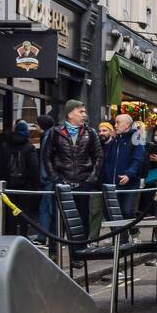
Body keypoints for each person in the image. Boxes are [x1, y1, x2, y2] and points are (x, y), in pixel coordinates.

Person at [44, 100, 104, 238]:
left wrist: (91, 179)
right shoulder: (56, 132)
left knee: (82, 220)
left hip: (83, 183)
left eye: (84, 112)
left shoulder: (91, 132)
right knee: (58, 221)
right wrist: (55, 178)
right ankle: (54, 253)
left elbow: (99, 157)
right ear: (70, 114)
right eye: (80, 111)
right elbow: (47, 157)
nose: (84, 115)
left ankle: (79, 254)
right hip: (62, 182)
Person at [0, 119, 41, 236]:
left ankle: (11, 233)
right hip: (25, 186)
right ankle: (23, 235)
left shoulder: (5, 146)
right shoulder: (29, 147)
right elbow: (34, 168)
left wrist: (1, 181)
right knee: (25, 212)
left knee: (10, 211)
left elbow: (0, 166)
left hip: (8, 185)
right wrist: (35, 184)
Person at [102, 113, 146, 217]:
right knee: (113, 214)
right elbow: (107, 161)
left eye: (118, 123)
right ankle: (122, 233)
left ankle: (133, 230)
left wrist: (129, 174)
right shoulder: (114, 141)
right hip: (113, 184)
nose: (115, 126)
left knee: (127, 211)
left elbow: (138, 159)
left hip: (130, 183)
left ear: (126, 125)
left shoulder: (136, 138)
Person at [36, 113, 57, 245]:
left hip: (49, 179)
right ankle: (47, 237)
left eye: (37, 124)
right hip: (50, 178)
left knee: (48, 209)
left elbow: (47, 159)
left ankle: (46, 238)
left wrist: (47, 176)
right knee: (47, 208)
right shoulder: (50, 135)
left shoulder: (48, 137)